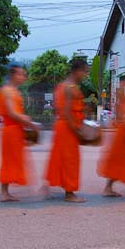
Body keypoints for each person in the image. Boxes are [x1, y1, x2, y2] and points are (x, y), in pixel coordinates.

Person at [44, 59, 88, 203]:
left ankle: (58, 187)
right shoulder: (70, 87)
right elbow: (67, 111)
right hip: (68, 126)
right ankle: (69, 194)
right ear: (76, 71)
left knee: (62, 158)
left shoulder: (63, 85)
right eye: (84, 71)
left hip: (62, 126)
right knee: (70, 160)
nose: (86, 74)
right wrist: (77, 129)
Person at [0, 64, 38, 202]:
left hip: (16, 130)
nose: (23, 77)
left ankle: (5, 192)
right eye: (20, 74)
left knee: (12, 160)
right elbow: (12, 113)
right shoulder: (7, 91)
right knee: (8, 161)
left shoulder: (14, 91)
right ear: (13, 75)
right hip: (10, 130)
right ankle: (4, 193)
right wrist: (29, 122)